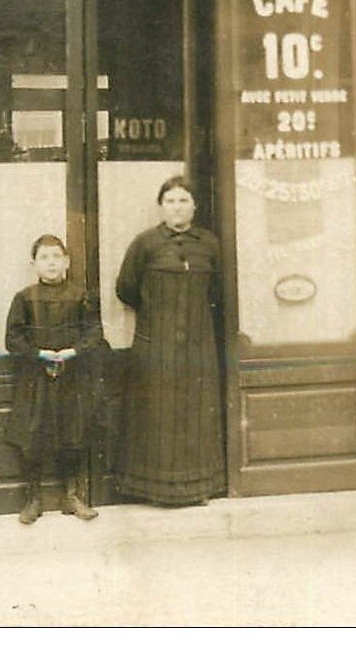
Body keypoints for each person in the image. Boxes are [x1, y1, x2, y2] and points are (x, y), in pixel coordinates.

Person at [113, 175, 225, 506]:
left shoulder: (209, 244)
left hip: (198, 346)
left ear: (194, 206)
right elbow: (126, 288)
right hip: (156, 346)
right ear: (161, 207)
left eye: (183, 200)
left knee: (194, 413)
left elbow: (217, 291)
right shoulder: (145, 244)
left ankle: (197, 488)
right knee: (157, 414)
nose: (177, 208)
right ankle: (155, 490)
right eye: (170, 201)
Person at [3, 234, 104, 524]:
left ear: (67, 262)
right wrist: (39, 354)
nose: (51, 263)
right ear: (34, 264)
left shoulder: (81, 296)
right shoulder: (25, 298)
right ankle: (33, 498)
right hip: (36, 378)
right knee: (32, 434)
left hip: (73, 376)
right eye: (44, 257)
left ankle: (71, 496)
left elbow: (95, 332)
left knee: (74, 432)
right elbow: (13, 338)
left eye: (57, 256)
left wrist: (74, 351)